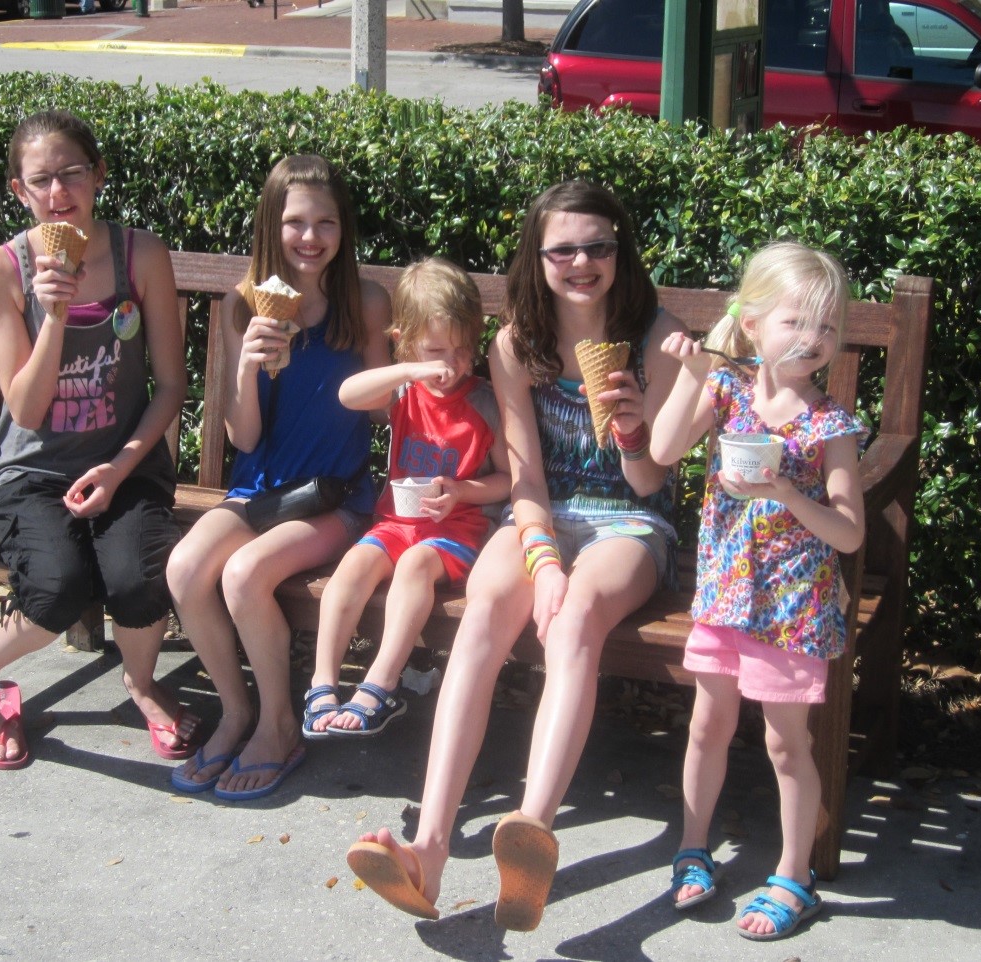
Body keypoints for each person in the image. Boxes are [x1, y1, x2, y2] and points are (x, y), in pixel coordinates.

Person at [348, 181, 686, 930]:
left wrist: (630, 425)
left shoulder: (659, 338)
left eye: (599, 245)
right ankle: (428, 848)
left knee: (575, 621)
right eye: (563, 248)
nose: (582, 262)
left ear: (620, 251)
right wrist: (544, 559)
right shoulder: (513, 346)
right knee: (484, 618)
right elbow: (526, 479)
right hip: (540, 515)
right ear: (538, 259)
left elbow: (648, 481)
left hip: (629, 522)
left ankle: (531, 831)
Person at [0, 109, 197, 770]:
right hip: (31, 470)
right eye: (41, 181)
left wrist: (121, 470)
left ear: (98, 175)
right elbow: (28, 409)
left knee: (137, 574)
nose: (58, 193)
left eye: (72, 174)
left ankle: (142, 683)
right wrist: (56, 314)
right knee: (58, 586)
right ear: (19, 191)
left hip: (125, 459)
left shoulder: (139, 254)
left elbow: (172, 387)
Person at [650, 241, 865, 941]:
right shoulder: (725, 388)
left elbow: (850, 534)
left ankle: (793, 874)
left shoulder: (831, 426)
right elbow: (661, 451)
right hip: (724, 594)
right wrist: (686, 374)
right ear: (751, 325)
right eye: (796, 324)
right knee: (706, 725)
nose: (813, 341)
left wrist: (784, 491)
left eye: (827, 328)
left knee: (784, 745)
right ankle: (692, 846)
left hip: (793, 608)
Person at [165, 154, 391, 800]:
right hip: (261, 490)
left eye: (326, 222)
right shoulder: (246, 305)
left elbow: (385, 410)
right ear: (272, 224)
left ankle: (278, 723)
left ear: (344, 230)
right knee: (185, 568)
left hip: (333, 497)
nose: (310, 237)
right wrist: (249, 369)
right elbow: (244, 439)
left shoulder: (365, 303)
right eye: (295, 222)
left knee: (243, 573)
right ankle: (237, 712)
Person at [303, 257, 510, 740]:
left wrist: (461, 490)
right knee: (355, 563)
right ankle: (323, 683)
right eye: (438, 350)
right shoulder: (404, 390)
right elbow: (348, 395)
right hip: (397, 522)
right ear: (405, 341)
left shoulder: (482, 402)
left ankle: (382, 682)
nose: (452, 364)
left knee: (417, 562)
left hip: (457, 531)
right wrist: (411, 370)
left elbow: (509, 481)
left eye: (463, 350)